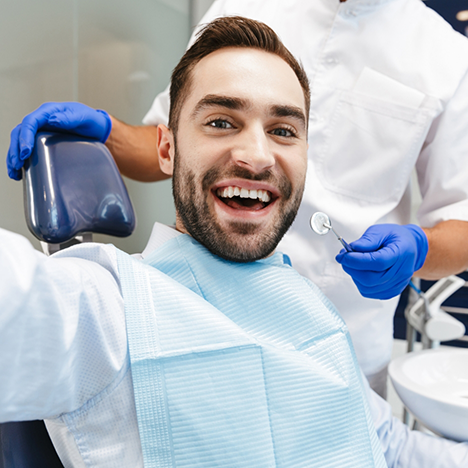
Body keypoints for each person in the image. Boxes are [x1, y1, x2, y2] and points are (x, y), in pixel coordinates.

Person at [2, 15, 468, 468]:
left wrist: (422, 248)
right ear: (169, 147)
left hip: (337, 314)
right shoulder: (109, 309)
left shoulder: (315, 317)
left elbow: (385, 444)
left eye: (284, 131)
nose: (256, 156)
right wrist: (112, 131)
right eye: (222, 122)